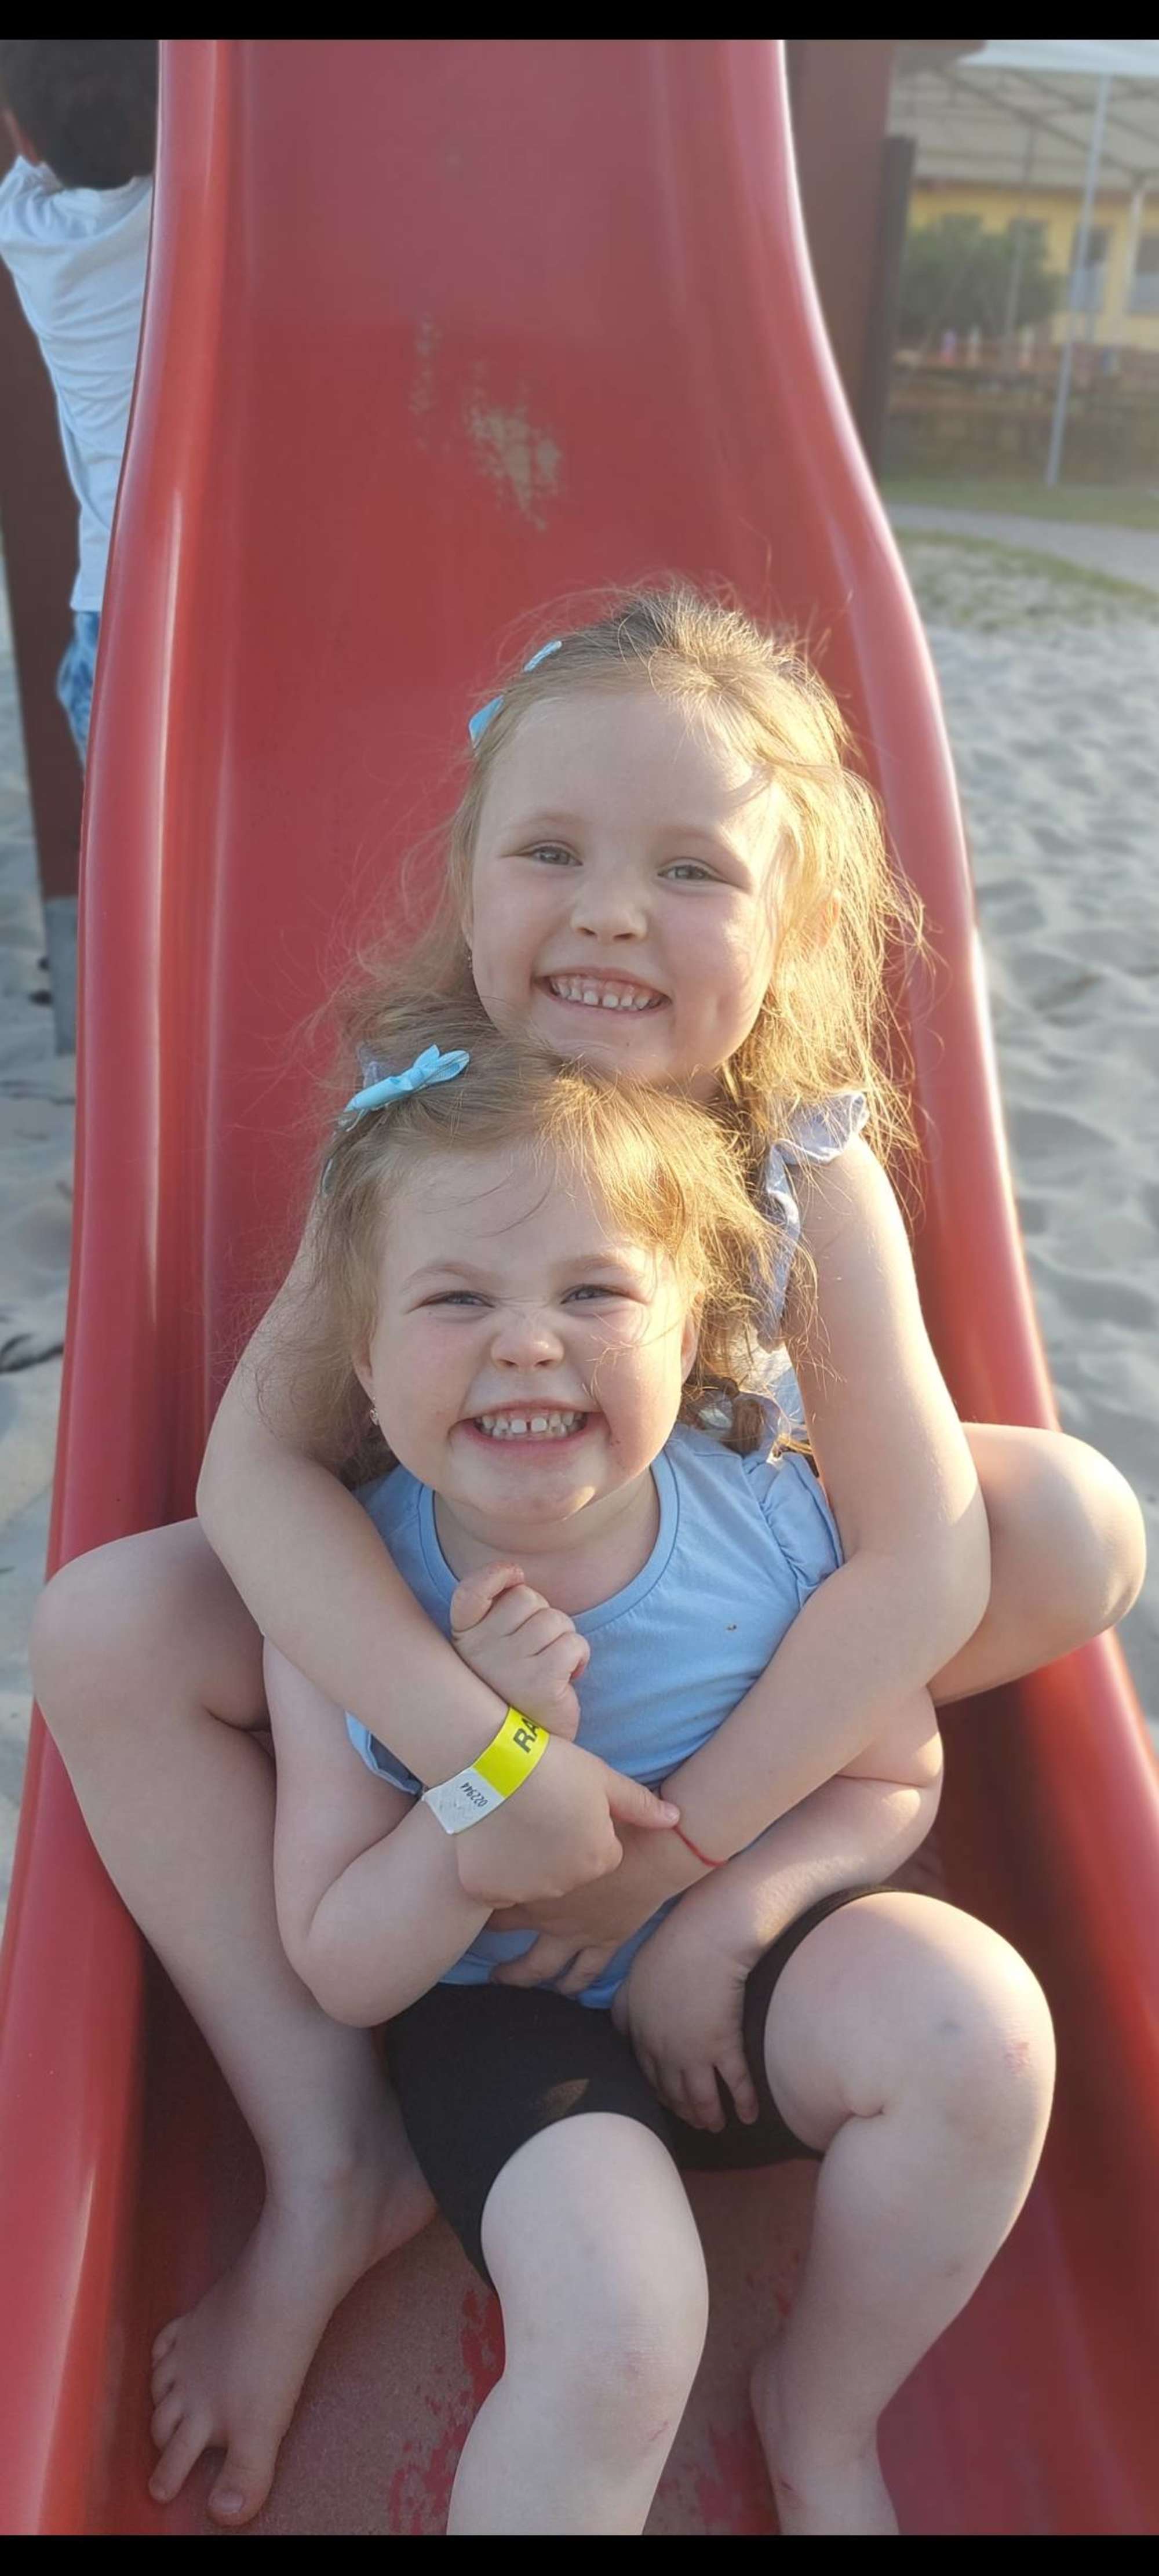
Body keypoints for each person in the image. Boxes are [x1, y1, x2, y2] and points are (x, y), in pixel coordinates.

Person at [30, 588, 1145, 2528]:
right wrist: (493, 1759)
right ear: (471, 882)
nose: (614, 912)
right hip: (468, 1694)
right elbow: (256, 1475)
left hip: (708, 1671)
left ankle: (817, 2398)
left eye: (691, 870)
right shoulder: (419, 1139)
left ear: (792, 927)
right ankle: (333, 2160)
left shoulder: (806, 1172)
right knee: (108, 1624)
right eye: (553, 851)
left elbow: (919, 1566)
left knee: (1064, 1518)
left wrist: (693, 1847)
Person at [260, 1003, 1048, 2537]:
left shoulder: (772, 1527)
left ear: (688, 1336)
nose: (525, 1340)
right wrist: (489, 1764)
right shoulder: (354, 1603)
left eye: (594, 1292)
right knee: (624, 2328)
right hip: (503, 2028)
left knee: (983, 2031)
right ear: (359, 1359)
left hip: (747, 1990)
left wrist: (725, 1921)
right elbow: (346, 1964)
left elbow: (893, 1774)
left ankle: (823, 2415)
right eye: (456, 1297)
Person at [0, 39, 156, 764]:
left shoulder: (24, 234)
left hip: (111, 591)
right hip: (214, 573)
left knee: (106, 742)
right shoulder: (196, 212)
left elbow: (31, 147)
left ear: (27, 141)